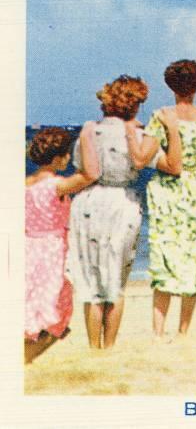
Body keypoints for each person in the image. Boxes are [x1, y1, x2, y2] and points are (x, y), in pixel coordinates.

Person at [67, 75, 182, 350]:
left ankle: (94, 348)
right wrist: (172, 131)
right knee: (115, 282)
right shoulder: (140, 137)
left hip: (87, 202)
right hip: (122, 204)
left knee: (93, 285)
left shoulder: (88, 132)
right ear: (135, 105)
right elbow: (172, 166)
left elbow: (79, 166)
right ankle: (109, 348)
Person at [128, 59, 196, 341]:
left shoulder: (161, 117)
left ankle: (158, 333)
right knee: (195, 258)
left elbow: (143, 157)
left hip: (168, 193)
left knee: (165, 257)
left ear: (170, 85)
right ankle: (183, 331)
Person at [25, 127, 99, 363]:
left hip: (27, 248)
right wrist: (87, 138)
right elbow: (89, 175)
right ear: (58, 158)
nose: (69, 159)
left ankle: (24, 356)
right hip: (51, 250)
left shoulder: (24, 183)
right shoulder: (55, 185)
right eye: (67, 154)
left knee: (32, 304)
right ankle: (24, 358)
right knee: (55, 307)